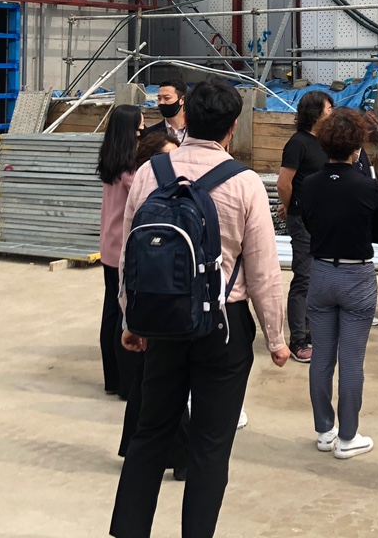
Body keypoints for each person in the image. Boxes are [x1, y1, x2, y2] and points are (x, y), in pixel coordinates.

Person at [110, 81, 291, 538]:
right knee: (211, 446)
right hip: (224, 326)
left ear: (185, 117)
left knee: (151, 434)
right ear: (233, 128)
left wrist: (131, 318)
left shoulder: (150, 171)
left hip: (163, 321)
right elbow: (263, 270)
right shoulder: (245, 182)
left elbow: (132, 254)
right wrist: (276, 338)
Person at [298, 107, 378, 459]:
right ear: (357, 146)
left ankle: (324, 430)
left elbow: (308, 223)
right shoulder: (368, 185)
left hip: (321, 271)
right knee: (351, 360)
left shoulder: (310, 184)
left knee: (321, 356)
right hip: (356, 274)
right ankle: (348, 437)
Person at [116, 131, 188, 474]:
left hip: (165, 296)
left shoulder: (177, 196)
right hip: (151, 298)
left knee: (152, 381)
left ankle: (142, 450)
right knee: (160, 383)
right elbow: (128, 258)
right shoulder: (145, 195)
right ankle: (177, 457)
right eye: (167, 157)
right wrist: (131, 317)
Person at [275, 90, 334, 364]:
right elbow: (283, 183)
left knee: (319, 277)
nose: (331, 113)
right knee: (304, 277)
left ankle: (312, 330)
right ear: (315, 112)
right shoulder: (298, 143)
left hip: (322, 219)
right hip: (302, 220)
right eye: (328, 108)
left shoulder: (323, 142)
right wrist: (291, 206)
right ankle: (298, 338)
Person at [98, 104, 145, 399]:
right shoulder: (132, 170)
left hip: (108, 246)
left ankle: (112, 379)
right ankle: (127, 384)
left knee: (111, 313)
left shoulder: (110, 159)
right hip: (124, 249)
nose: (143, 129)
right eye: (140, 125)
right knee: (125, 316)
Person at [142, 79, 189, 145]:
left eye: (167, 98)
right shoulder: (151, 134)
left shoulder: (198, 130)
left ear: (182, 100)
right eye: (159, 98)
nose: (161, 102)